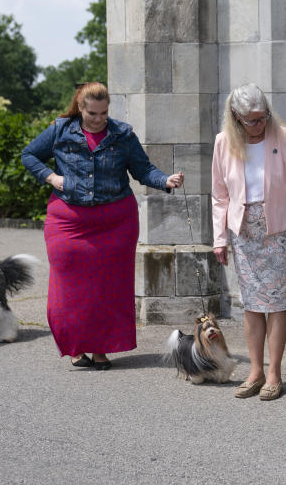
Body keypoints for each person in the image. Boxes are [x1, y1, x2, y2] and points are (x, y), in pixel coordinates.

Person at [22, 82, 183, 371]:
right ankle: (75, 346)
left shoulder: (122, 134)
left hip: (116, 222)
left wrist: (165, 180)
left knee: (108, 289)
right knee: (69, 288)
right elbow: (29, 155)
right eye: (92, 113)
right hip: (68, 221)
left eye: (104, 113)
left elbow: (142, 169)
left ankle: (100, 349)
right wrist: (51, 177)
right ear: (80, 108)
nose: (98, 119)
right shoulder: (60, 129)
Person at [212, 83, 286, 401]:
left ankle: (275, 373)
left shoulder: (285, 136)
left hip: (279, 231)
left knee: (276, 305)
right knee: (252, 305)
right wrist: (219, 239)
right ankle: (255, 371)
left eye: (262, 117)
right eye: (251, 120)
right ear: (235, 117)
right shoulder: (223, 143)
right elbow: (220, 196)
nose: (259, 124)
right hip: (244, 232)